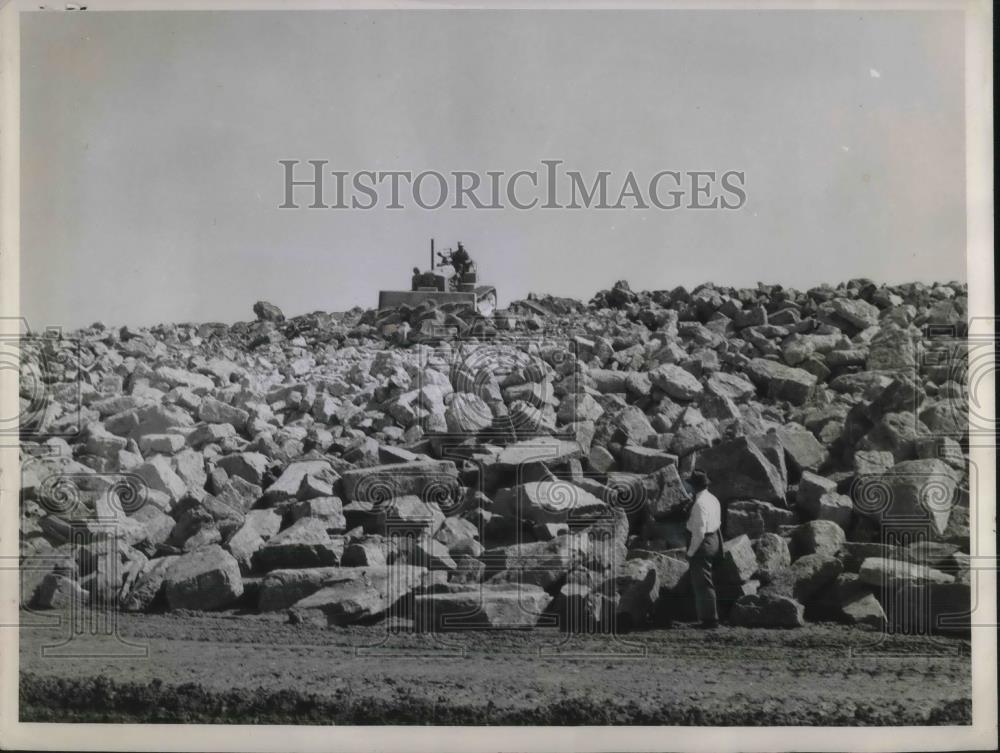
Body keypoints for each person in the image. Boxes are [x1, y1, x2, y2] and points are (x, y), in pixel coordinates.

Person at [685, 470, 723, 629]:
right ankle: (709, 618)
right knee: (706, 581)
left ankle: (710, 620)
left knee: (703, 584)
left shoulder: (699, 504)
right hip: (715, 538)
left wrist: (690, 552)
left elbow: (699, 532)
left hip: (703, 544)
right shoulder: (713, 498)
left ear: (694, 487)